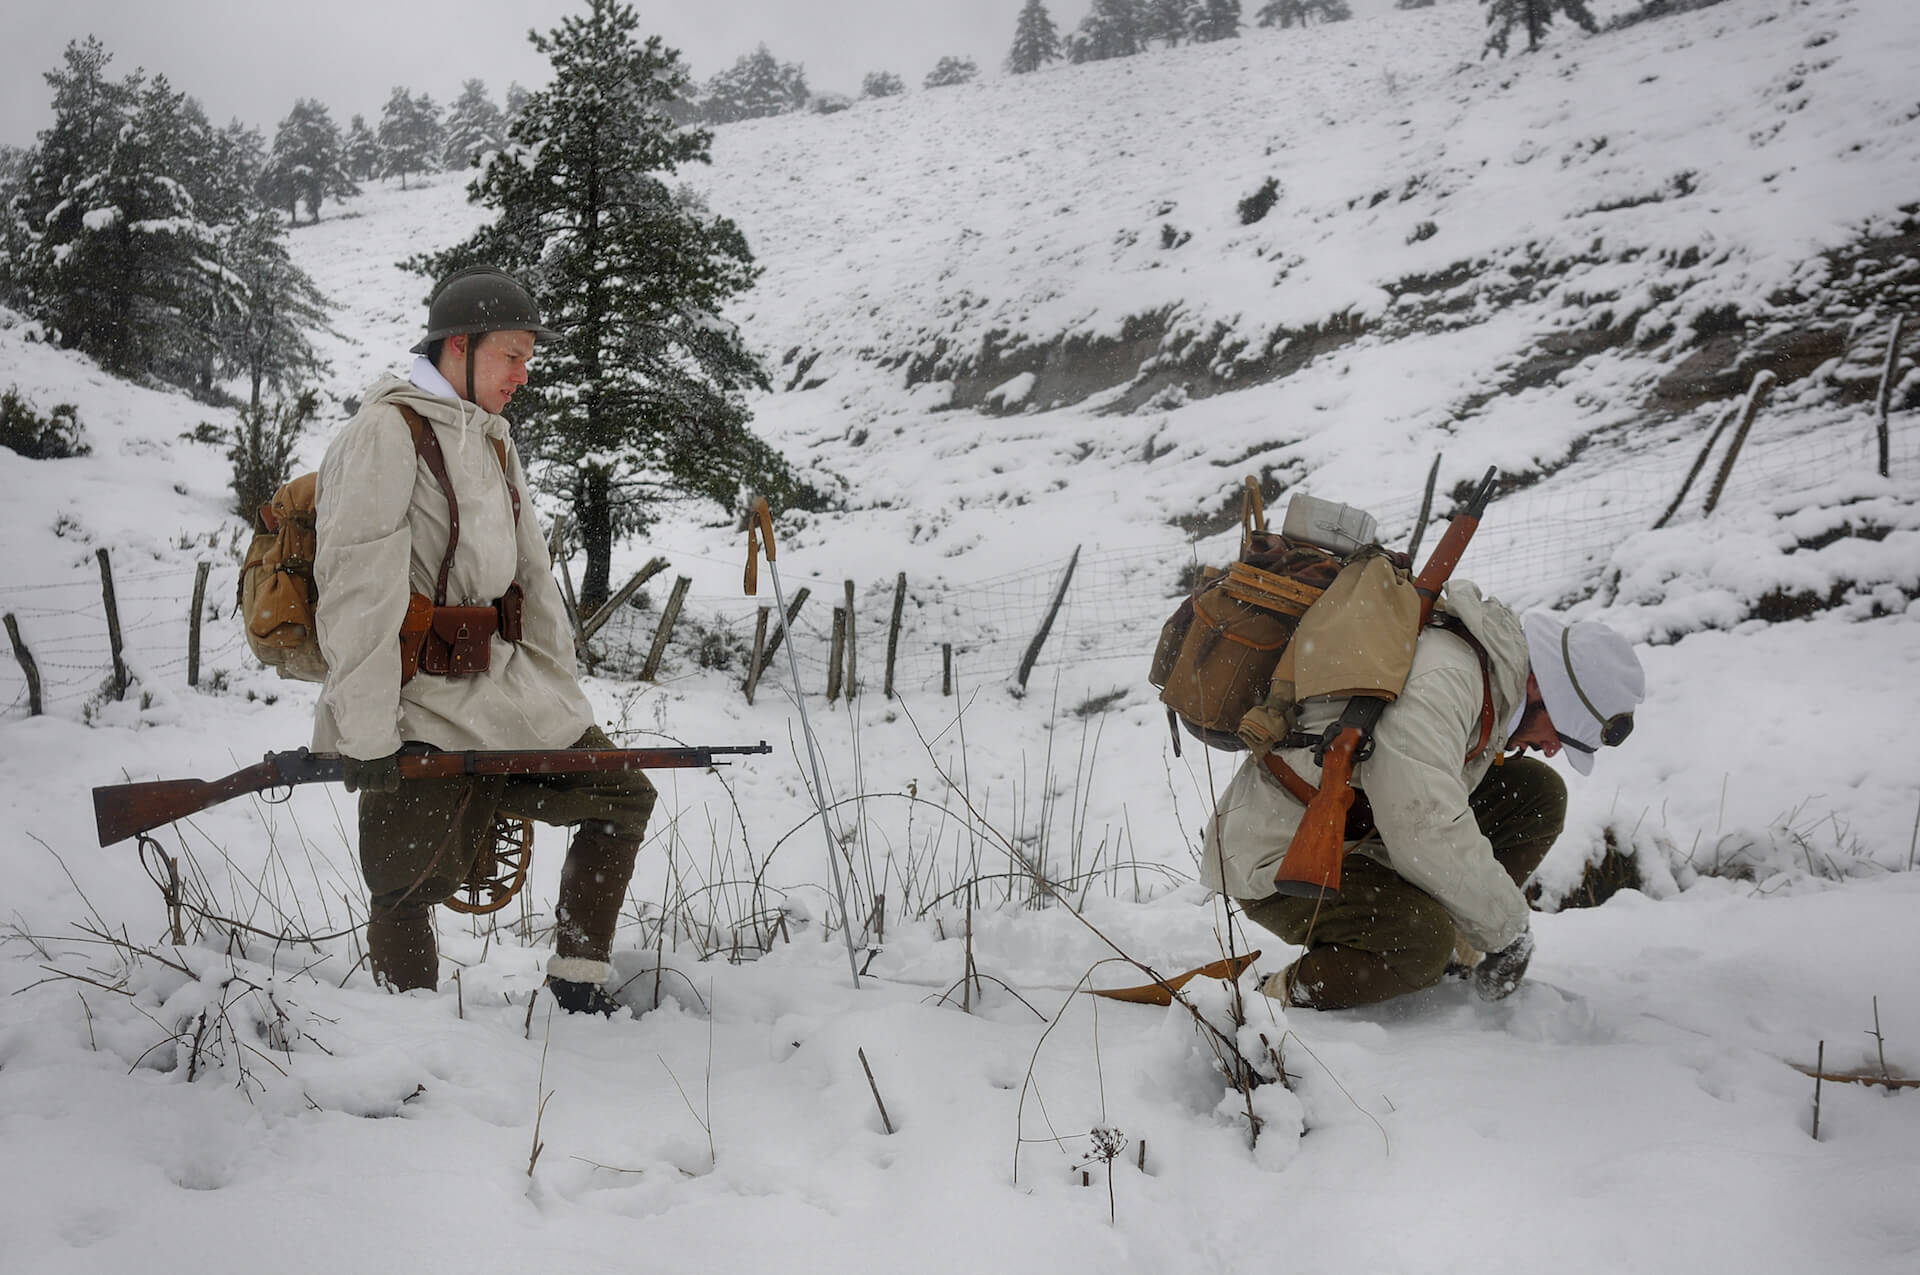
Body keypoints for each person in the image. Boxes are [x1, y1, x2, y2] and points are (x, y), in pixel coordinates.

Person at [312, 264, 655, 1015]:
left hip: (504, 694)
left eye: (529, 359)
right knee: (406, 885)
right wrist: (367, 736)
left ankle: (577, 982)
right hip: (418, 705)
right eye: (512, 355)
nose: (523, 376)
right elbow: (355, 595)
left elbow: (530, 583)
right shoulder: (384, 433)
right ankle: (408, 1039)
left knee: (619, 793)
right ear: (456, 349)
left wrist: (560, 699)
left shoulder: (495, 442)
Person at [1201, 581, 1645, 1009]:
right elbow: (1424, 826)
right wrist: (1508, 930)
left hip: (1362, 829)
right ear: (1537, 688)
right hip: (1280, 851)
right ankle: (1275, 994)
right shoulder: (1446, 680)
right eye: (1560, 734)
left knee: (1536, 792)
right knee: (1419, 940)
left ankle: (1454, 947)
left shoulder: (1485, 676)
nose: (1553, 749)